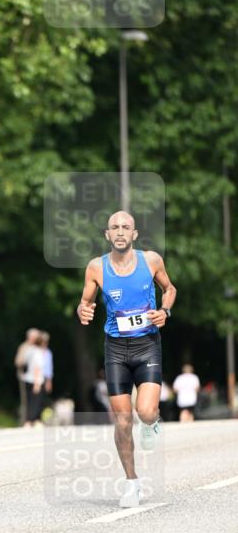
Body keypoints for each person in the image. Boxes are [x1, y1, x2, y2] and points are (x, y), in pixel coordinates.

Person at [77, 210, 176, 508]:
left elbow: (169, 289)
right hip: (116, 349)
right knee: (122, 420)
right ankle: (132, 483)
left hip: (147, 345)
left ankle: (151, 422)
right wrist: (83, 310)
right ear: (107, 235)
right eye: (114, 227)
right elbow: (85, 301)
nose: (120, 231)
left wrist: (165, 311)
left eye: (126, 227)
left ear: (134, 234)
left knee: (144, 411)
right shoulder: (96, 267)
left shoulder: (151, 260)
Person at [14, 328, 39, 425]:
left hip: (37, 376)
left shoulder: (38, 347)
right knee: (26, 399)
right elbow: (18, 361)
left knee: (36, 399)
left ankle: (35, 419)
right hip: (26, 377)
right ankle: (26, 420)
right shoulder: (24, 347)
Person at [22, 332, 46, 427]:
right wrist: (37, 383)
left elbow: (25, 362)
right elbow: (37, 368)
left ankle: (29, 420)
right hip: (35, 379)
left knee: (29, 401)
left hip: (27, 378)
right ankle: (30, 421)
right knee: (35, 402)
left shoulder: (29, 350)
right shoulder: (38, 352)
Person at [40, 331, 53, 396]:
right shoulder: (35, 351)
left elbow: (49, 368)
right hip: (35, 378)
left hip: (44, 378)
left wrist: (49, 381)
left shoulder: (48, 353)